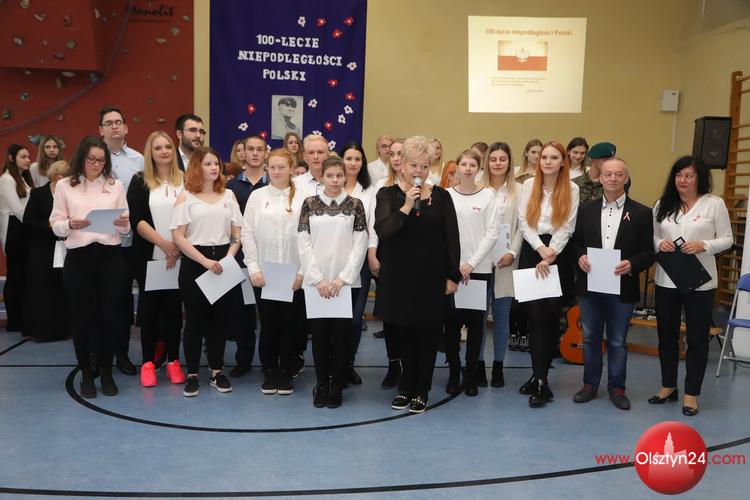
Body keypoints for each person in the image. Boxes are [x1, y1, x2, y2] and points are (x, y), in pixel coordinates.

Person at [374, 136, 460, 413]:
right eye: (413, 165)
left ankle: (422, 389)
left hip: (431, 277)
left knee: (427, 335)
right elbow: (384, 231)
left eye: (424, 166)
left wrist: (452, 275)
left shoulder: (442, 196)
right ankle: (406, 387)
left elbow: (452, 238)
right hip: (398, 277)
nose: (419, 171)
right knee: (403, 334)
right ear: (401, 165)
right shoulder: (387, 195)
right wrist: (407, 207)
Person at [650, 155, 732, 416]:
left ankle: (691, 394)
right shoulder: (662, 204)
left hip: (700, 283)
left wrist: (704, 245)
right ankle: (668, 386)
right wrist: (659, 243)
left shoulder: (714, 204)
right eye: (678, 175)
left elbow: (727, 239)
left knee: (697, 338)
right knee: (667, 335)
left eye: (689, 176)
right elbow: (652, 235)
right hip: (666, 280)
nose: (682, 180)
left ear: (700, 178)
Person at [50, 136, 131, 398]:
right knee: (82, 318)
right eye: (92, 159)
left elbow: (126, 225)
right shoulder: (65, 186)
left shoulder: (115, 185)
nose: (97, 164)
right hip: (79, 258)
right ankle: (86, 372)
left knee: (109, 316)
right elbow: (56, 224)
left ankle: (106, 371)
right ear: (81, 158)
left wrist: (123, 224)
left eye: (101, 160)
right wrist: (70, 224)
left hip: (110, 257)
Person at [571, 158, 654, 410]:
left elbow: (648, 252)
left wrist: (632, 264)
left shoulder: (642, 213)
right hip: (590, 286)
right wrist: (580, 257)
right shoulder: (585, 210)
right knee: (590, 338)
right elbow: (574, 243)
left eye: (618, 174)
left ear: (626, 178)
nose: (613, 179)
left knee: (617, 341)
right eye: (608, 174)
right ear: (600, 178)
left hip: (623, 286)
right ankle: (589, 385)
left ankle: (617, 388)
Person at [171, 146, 243, 397]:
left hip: (223, 261)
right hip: (195, 263)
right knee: (194, 321)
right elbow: (178, 236)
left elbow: (237, 232)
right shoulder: (186, 197)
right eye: (208, 163)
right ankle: (192, 374)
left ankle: (216, 371)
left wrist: (229, 256)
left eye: (216, 163)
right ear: (197, 167)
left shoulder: (229, 195)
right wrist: (203, 261)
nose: (214, 168)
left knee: (219, 321)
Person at [297, 156, 368, 408]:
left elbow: (360, 246)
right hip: (316, 284)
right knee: (319, 336)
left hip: (344, 284)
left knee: (341, 336)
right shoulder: (309, 204)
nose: (335, 180)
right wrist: (317, 278)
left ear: (345, 177)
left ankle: (337, 385)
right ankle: (321, 384)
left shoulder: (355, 205)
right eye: (330, 176)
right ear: (322, 177)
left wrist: (342, 278)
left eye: (339, 175)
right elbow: (303, 243)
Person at [517, 141, 579, 407]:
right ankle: (538, 376)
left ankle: (542, 379)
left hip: (558, 254)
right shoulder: (528, 185)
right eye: (544, 157)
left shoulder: (572, 188)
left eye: (554, 157)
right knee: (534, 317)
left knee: (550, 316)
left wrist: (551, 252)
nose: (548, 162)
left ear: (563, 161)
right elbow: (523, 222)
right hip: (534, 252)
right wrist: (540, 249)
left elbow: (568, 226)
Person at [242, 148, 305, 395]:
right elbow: (247, 234)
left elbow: (311, 236)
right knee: (269, 324)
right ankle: (269, 371)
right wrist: (253, 268)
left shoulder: (304, 197)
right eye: (273, 167)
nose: (277, 172)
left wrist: (302, 272)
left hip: (293, 273)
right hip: (265, 274)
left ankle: (286, 371)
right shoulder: (257, 197)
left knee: (290, 325)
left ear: (291, 169)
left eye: (282, 167)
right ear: (267, 168)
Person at [127, 131, 186, 387]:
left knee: (173, 312)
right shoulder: (139, 181)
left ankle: (173, 361)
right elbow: (137, 219)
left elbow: (191, 216)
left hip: (181, 258)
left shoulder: (185, 180)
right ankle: (148, 363)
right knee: (150, 313)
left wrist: (179, 247)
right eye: (158, 148)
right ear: (150, 152)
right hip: (150, 258)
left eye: (168, 147)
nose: (164, 152)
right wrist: (164, 244)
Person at [445, 150, 498, 396]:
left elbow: (492, 232)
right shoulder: (446, 196)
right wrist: (456, 265)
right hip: (452, 270)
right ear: (457, 167)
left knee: (476, 325)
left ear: (479, 168)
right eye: (463, 164)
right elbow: (443, 234)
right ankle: (453, 371)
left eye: (472, 164)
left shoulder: (489, 195)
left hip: (479, 269)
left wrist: (471, 264)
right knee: (452, 324)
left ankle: (470, 375)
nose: (467, 168)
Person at [99, 106, 144, 375]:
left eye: (119, 122)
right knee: (101, 300)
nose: (114, 126)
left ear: (126, 128)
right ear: (101, 130)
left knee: (124, 301)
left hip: (130, 243)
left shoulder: (139, 160)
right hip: (100, 242)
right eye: (109, 123)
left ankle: (121, 353)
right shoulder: (92, 159)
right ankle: (97, 353)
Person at [480, 142, 522, 388]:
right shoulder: (478, 186)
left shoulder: (519, 190)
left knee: (502, 316)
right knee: (478, 316)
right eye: (493, 159)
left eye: (502, 159)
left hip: (506, 261)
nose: (497, 163)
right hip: (480, 261)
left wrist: (512, 252)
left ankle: (497, 366)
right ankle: (476, 365)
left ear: (509, 162)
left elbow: (522, 226)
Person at [227, 135, 268, 377]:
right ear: (243, 152)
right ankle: (243, 361)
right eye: (250, 149)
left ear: (266, 153)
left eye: (259, 149)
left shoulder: (274, 183)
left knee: (270, 313)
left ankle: (269, 362)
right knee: (242, 314)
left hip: (270, 260)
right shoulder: (232, 186)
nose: (254, 153)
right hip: (241, 259)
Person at [23, 160, 72, 342]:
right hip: (42, 249)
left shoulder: (70, 194)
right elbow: (28, 221)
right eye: (60, 177)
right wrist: (50, 227)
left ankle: (63, 328)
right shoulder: (38, 194)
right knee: (43, 289)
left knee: (62, 288)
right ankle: (43, 330)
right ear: (53, 177)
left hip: (65, 247)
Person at [368, 138, 404, 387]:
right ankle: (393, 365)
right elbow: (374, 224)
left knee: (409, 315)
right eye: (392, 154)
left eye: (401, 153)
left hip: (413, 259)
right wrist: (372, 253)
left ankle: (410, 365)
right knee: (390, 315)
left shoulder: (425, 186)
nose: (396, 158)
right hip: (388, 256)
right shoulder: (382, 185)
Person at [340, 142, 374, 386]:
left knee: (354, 318)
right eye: (348, 158)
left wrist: (371, 254)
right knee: (334, 319)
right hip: (333, 262)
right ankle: (333, 364)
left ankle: (348, 364)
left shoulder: (370, 191)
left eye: (357, 159)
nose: (353, 163)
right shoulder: (330, 186)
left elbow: (372, 227)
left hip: (360, 262)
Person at [0, 144, 34, 333]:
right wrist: (38, 224)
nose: (28, 160)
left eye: (28, 156)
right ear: (12, 158)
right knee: (15, 275)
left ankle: (24, 318)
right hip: (15, 230)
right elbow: (18, 210)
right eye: (23, 157)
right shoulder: (6, 179)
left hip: (24, 229)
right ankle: (13, 321)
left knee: (24, 276)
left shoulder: (23, 179)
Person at [293, 134, 329, 198]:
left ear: (327, 155)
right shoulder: (294, 184)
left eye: (320, 152)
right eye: (311, 153)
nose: (316, 157)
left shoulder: (338, 183)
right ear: (305, 157)